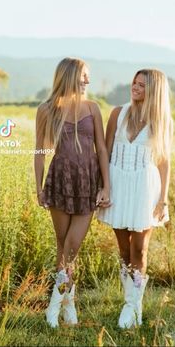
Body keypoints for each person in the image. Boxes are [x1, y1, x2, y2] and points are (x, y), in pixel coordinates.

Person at [34, 57, 110, 328]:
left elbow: (101, 148)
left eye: (88, 76)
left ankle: (54, 306)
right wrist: (38, 187)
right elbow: (40, 150)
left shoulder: (93, 108)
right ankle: (68, 306)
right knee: (63, 246)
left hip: (88, 182)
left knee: (71, 247)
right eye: (84, 76)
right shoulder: (46, 109)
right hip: (60, 180)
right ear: (69, 77)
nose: (88, 81)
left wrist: (106, 185)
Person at [98, 68, 173, 329]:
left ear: (154, 90)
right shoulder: (118, 114)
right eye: (135, 82)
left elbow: (164, 162)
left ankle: (132, 307)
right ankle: (132, 301)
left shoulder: (162, 121)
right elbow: (105, 153)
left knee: (139, 249)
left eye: (142, 85)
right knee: (123, 249)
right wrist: (103, 187)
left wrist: (163, 199)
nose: (136, 87)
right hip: (118, 184)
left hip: (144, 188)